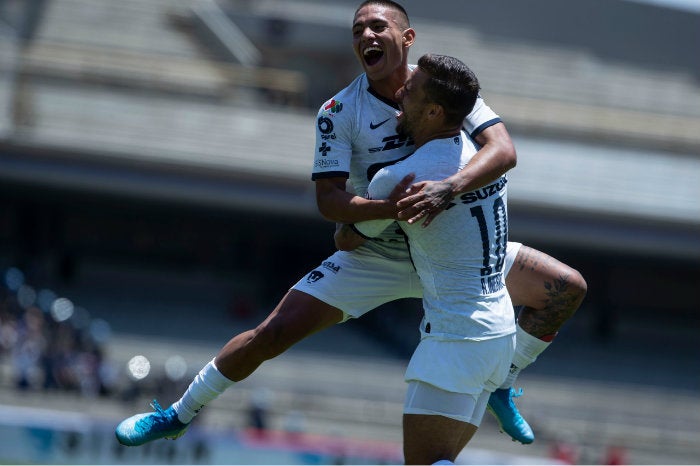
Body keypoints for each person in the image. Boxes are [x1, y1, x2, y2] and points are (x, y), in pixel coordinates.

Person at [115, 0, 586, 447]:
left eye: (377, 26)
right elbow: (329, 201)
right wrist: (388, 211)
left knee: (565, 288)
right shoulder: (338, 113)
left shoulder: (441, 84)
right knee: (273, 333)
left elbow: (503, 151)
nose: (366, 35)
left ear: (407, 36)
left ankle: (504, 382)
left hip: (451, 252)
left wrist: (448, 189)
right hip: (377, 250)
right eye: (358, 29)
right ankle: (177, 415)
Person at [336, 52, 516, 464]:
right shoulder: (481, 154)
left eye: (411, 89)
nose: (401, 90)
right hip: (498, 334)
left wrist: (359, 203)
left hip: (456, 337)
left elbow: (347, 241)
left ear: (434, 110)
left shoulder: (401, 177)